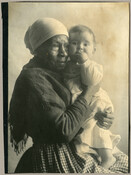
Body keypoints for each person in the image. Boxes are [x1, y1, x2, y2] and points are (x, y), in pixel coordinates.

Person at [9, 18, 128, 173]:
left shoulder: (58, 72)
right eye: (55, 46)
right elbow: (64, 130)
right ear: (39, 48)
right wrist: (90, 90)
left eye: (66, 45)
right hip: (55, 157)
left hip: (74, 149)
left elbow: (78, 105)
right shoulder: (34, 78)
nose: (64, 52)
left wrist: (102, 116)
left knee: (125, 163)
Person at [63, 25, 121, 169]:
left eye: (85, 44)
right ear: (67, 47)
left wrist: (85, 63)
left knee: (98, 127)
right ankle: (88, 152)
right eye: (74, 43)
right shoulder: (65, 66)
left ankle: (108, 157)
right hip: (81, 103)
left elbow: (91, 81)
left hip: (95, 102)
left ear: (93, 50)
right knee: (86, 130)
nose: (80, 48)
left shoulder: (93, 66)